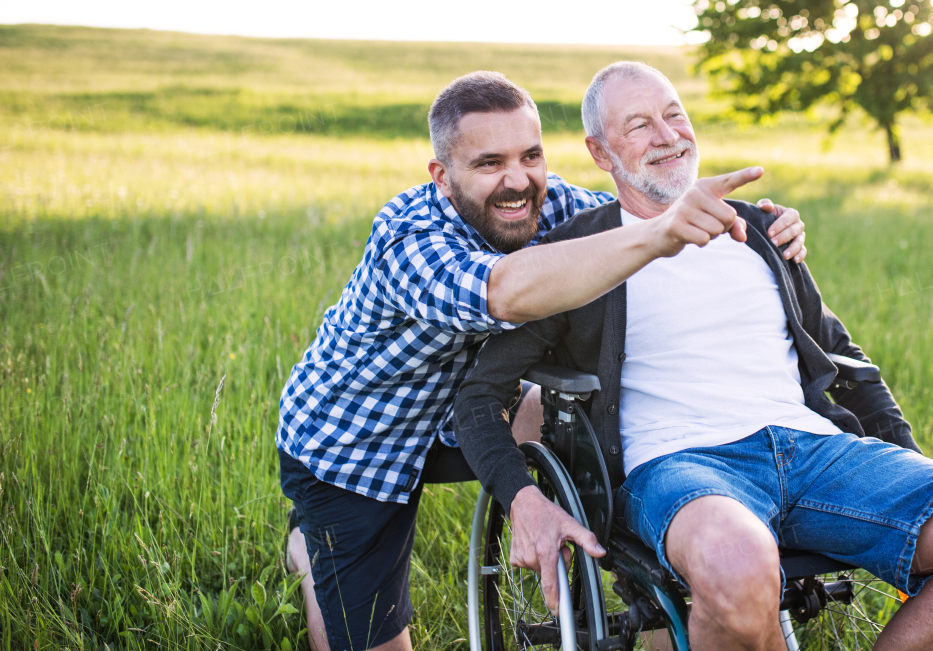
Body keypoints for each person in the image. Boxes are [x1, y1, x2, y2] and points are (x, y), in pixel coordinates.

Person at [456, 62, 933, 651]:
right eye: (638, 126)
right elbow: (480, 398)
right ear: (601, 152)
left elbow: (840, 355)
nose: (666, 136)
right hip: (680, 465)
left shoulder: (762, 229)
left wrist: (908, 465)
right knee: (738, 565)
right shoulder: (580, 253)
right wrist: (524, 499)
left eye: (674, 115)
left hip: (815, 449)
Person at [276, 69, 808, 651]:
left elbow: (645, 215)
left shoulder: (555, 206)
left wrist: (758, 225)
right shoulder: (409, 236)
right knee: (365, 638)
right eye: (488, 163)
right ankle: (309, 549)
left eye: (531, 156)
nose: (517, 180)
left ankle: (667, 585)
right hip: (361, 441)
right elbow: (505, 292)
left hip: (479, 409)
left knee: (601, 416)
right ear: (442, 177)